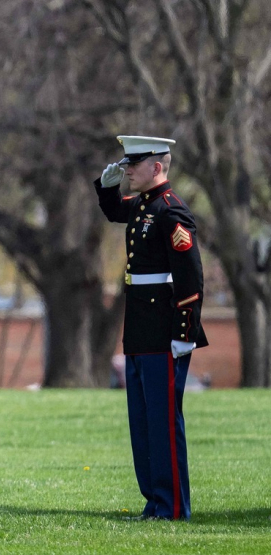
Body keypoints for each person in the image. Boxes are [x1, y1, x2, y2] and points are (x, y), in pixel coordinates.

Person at [94, 135, 208, 521]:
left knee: (162, 420)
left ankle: (173, 506)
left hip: (164, 330)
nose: (127, 169)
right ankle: (154, 501)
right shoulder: (146, 206)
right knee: (142, 421)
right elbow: (116, 212)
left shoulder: (171, 212)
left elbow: (190, 279)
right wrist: (107, 190)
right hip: (141, 327)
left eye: (134, 163)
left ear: (156, 167)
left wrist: (183, 333)